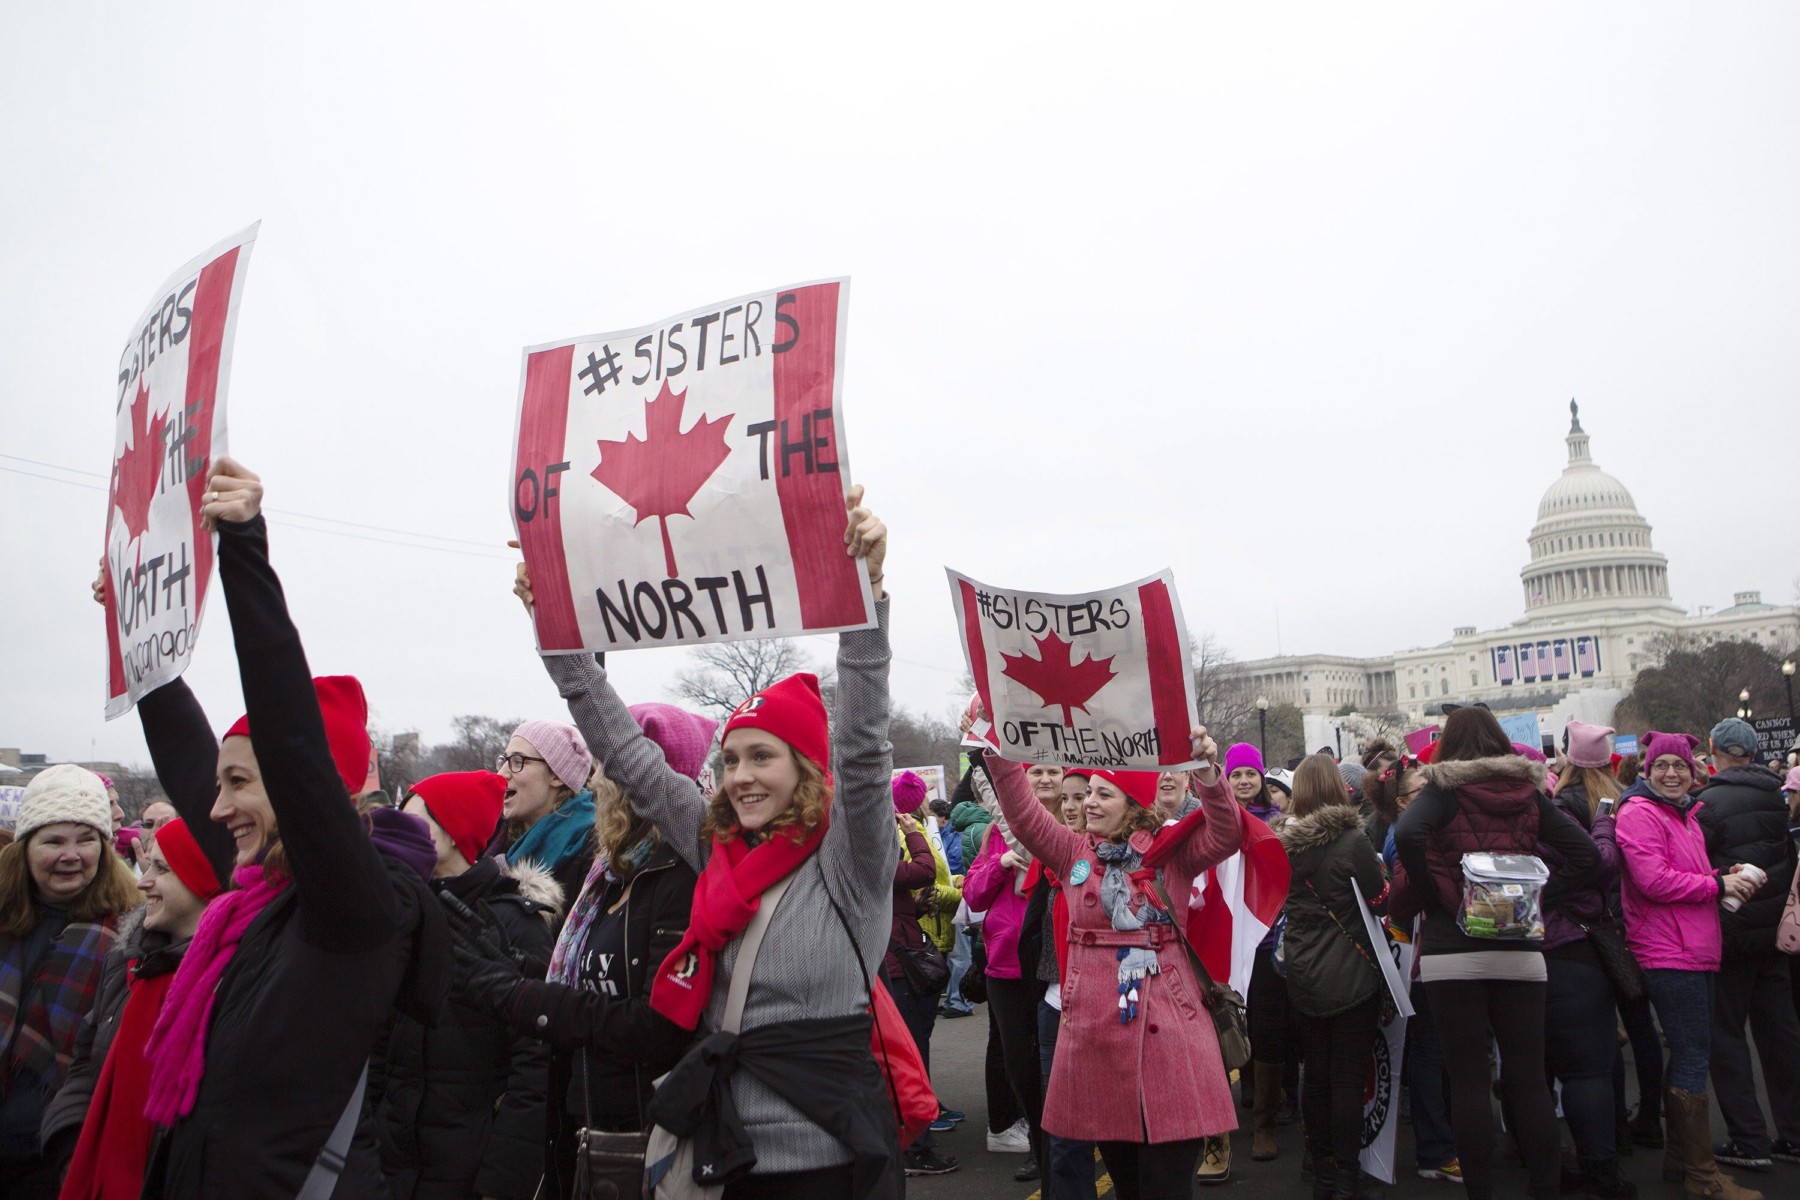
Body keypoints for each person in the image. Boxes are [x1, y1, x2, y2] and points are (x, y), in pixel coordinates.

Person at [513, 486, 902, 1199]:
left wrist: (867, 598)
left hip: (827, 1164)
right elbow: (626, 754)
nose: (742, 775)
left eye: (763, 757)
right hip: (719, 1157)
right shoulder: (711, 843)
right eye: (731, 759)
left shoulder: (854, 859)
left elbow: (867, 746)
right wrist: (557, 632)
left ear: (808, 769)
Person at [130, 459, 449, 1200]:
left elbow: (293, 744)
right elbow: (184, 758)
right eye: (220, 785)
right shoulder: (260, 898)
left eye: (239, 782)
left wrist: (243, 547)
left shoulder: (357, 907)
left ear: (309, 793)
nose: (213, 810)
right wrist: (136, 634)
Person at [443, 706, 708, 1197]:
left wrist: (526, 997)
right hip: (581, 1114)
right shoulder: (608, 874)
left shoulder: (676, 878)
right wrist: (508, 967)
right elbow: (577, 979)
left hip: (639, 1131)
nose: (599, 781)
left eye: (612, 767)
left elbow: (657, 1026)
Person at [983, 729, 1243, 1200]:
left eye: (1104, 794)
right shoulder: (1071, 852)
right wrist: (996, 750)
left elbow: (1227, 831)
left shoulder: (1174, 854)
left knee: (1165, 1186)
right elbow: (1022, 815)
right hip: (1095, 1040)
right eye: (1088, 795)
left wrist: (1207, 772)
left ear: (1134, 803)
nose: (1088, 804)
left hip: (1172, 1036)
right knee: (1125, 1184)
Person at [1390, 705, 1601, 1200]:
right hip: (1520, 948)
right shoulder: (1530, 792)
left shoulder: (1442, 792)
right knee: (1528, 1077)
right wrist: (1534, 901)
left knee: (1467, 1081)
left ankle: (1481, 1193)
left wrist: (1444, 899)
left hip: (1451, 951)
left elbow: (1405, 834)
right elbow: (1586, 855)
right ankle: (1545, 1187)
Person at [377, 770, 562, 1200]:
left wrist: (501, 1181)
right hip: (392, 1169)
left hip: (470, 1171)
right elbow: (377, 1045)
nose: (401, 832)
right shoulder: (403, 914)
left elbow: (534, 1069)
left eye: (415, 820)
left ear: (455, 831)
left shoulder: (517, 924)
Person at [41, 817, 227, 1199]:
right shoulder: (126, 962)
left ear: (201, 879)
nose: (142, 881)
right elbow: (84, 1067)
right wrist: (71, 1150)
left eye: (162, 868)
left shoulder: (230, 983)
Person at [1616, 731, 1762, 1200]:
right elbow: (1653, 880)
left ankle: (1683, 1162)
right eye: (1662, 766)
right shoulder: (1640, 813)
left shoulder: (1683, 815)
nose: (1672, 773)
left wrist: (1722, 877)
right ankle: (1703, 1176)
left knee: (1687, 1052)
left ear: (1693, 770)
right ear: (1647, 770)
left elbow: (1687, 876)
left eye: (1680, 765)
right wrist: (1718, 887)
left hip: (1693, 947)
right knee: (1694, 1054)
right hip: (1668, 950)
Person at [0, 766, 140, 1196]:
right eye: (54, 841)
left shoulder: (132, 932)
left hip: (59, 1158)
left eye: (86, 839)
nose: (72, 854)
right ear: (25, 849)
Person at [1693, 717, 1800, 1171]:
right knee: (1781, 1036)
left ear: (1714, 749)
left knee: (1727, 1037)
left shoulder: (1706, 806)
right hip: (1774, 934)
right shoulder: (1777, 798)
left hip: (1731, 934)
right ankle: (1794, 1135)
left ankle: (1749, 1139)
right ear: (1754, 752)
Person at [1278, 754, 1387, 1200]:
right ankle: (1347, 1176)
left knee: (1315, 1076)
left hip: (1302, 972)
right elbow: (1379, 899)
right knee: (1346, 1080)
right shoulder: (1351, 840)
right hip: (1351, 969)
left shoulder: (1278, 844)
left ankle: (1320, 1169)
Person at [1541, 721, 1634, 1199]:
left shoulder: (1557, 805)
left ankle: (1551, 1167)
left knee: (1540, 1071)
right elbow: (1598, 865)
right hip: (1578, 942)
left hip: (1551, 945)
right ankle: (1601, 1167)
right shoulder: (1596, 809)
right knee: (1589, 1069)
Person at [963, 759, 1063, 1183]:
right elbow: (973, 895)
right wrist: (998, 864)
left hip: (1055, 964)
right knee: (1021, 1067)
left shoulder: (1072, 823)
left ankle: (1065, 1147)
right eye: (1034, 772)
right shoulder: (995, 832)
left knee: (1058, 1066)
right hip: (1006, 964)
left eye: (1052, 772)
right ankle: (1041, 1151)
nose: (1043, 779)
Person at [1220, 743, 1292, 1165]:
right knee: (1231, 1021)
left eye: (1250, 773)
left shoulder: (1279, 824)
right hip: (1224, 942)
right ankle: (1241, 1097)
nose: (1244, 781)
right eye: (1236, 774)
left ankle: (1265, 1119)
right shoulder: (1216, 822)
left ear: (1262, 778)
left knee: (1267, 1026)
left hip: (1265, 942)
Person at [488, 719, 597, 921]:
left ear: (556, 775)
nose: (501, 773)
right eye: (504, 760)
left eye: (518, 761)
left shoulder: (592, 850)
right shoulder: (492, 834)